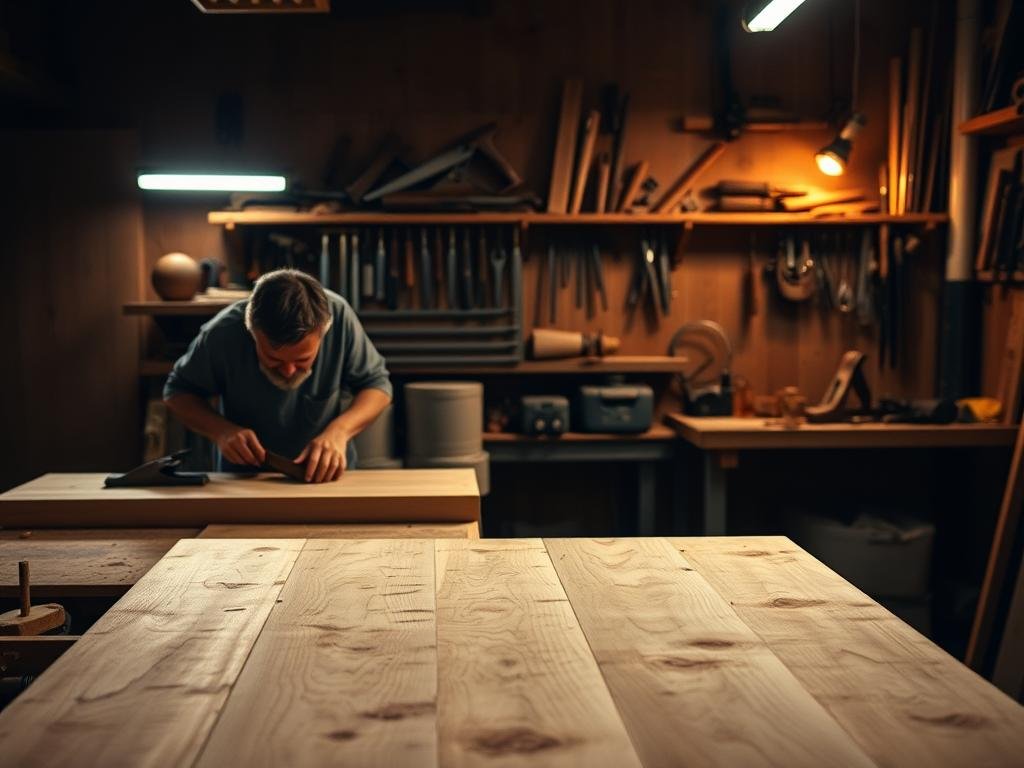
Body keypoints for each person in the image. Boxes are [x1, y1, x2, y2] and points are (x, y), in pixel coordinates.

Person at [163, 268, 391, 483]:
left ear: (324, 331)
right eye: (274, 360)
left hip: (327, 480)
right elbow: (177, 391)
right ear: (251, 331)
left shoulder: (339, 316)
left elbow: (377, 385)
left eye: (302, 360)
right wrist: (221, 431)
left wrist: (340, 431)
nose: (289, 371)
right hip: (244, 484)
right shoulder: (222, 333)